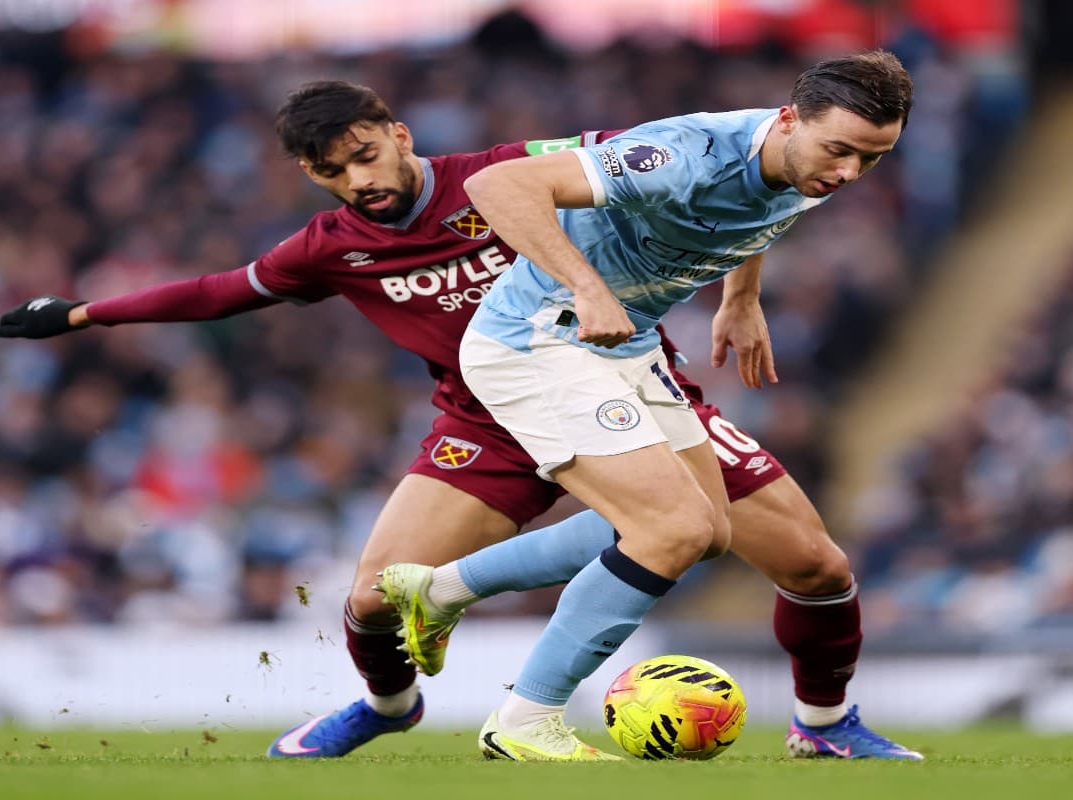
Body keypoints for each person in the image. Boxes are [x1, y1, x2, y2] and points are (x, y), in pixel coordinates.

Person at [0, 75, 909, 761]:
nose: (356, 181)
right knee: (368, 600)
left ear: (400, 136)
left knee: (809, 561)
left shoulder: (510, 171)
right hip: (491, 410)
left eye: (365, 155)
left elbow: (721, 189)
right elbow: (221, 292)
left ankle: (824, 724)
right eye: (331, 172)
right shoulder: (335, 246)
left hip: (619, 372)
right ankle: (394, 706)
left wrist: (735, 295)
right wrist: (82, 314)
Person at [381, 50, 922, 761]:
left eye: (872, 159)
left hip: (626, 347)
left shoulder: (807, 160)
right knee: (668, 530)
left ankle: (443, 589)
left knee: (708, 531)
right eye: (842, 151)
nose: (850, 172)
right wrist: (584, 283)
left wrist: (742, 296)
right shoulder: (678, 156)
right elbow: (499, 184)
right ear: (788, 120)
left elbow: (761, 206)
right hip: (539, 340)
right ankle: (524, 719)